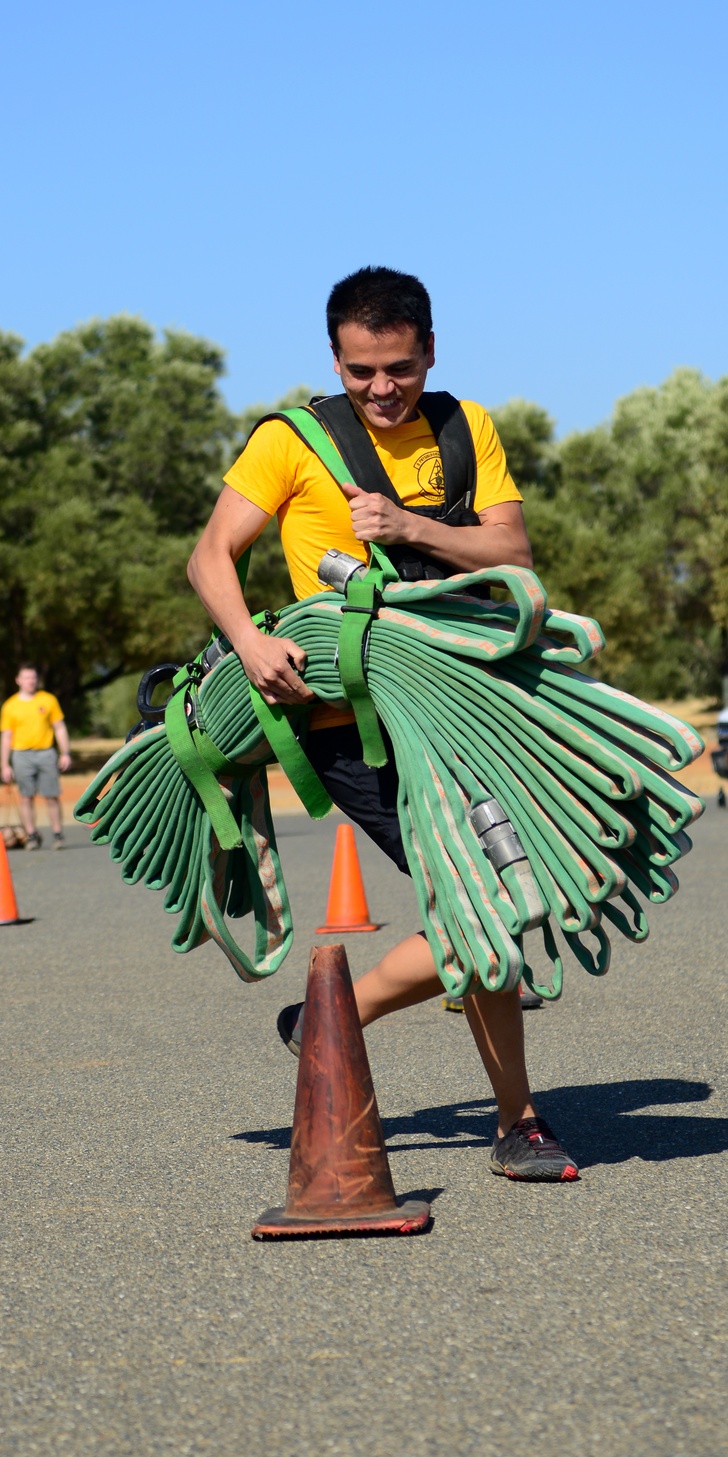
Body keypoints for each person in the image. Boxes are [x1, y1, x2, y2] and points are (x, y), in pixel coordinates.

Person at [187, 266, 577, 1182]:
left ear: (429, 350)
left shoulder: (464, 427)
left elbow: (511, 551)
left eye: (398, 367)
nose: (381, 388)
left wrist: (409, 524)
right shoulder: (292, 442)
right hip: (347, 722)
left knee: (505, 894)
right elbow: (211, 556)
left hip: (465, 709)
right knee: (479, 898)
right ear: (336, 359)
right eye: (362, 371)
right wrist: (247, 642)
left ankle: (333, 1013)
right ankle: (519, 1121)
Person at [0, 665, 72, 850]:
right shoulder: (10, 705)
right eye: (26, 677)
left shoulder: (48, 700)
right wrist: (4, 765)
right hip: (22, 755)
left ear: (36, 680)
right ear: (18, 680)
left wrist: (65, 753)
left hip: (46, 752)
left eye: (33, 677)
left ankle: (57, 834)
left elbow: (59, 728)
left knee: (52, 796)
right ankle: (31, 835)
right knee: (26, 797)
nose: (30, 681)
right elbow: (6, 737)